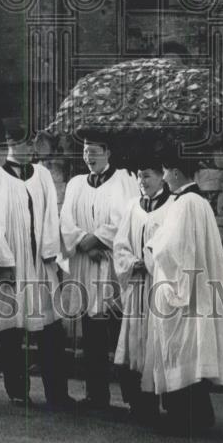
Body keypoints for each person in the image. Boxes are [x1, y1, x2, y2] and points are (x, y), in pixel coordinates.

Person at [0, 118, 74, 410]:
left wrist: (52, 254)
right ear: (11, 145)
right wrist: (2, 264)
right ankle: (18, 391)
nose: (31, 148)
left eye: (33, 143)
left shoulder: (41, 176)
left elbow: (51, 216)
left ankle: (58, 392)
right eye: (26, 143)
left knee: (51, 330)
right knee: (12, 332)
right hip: (12, 265)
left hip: (41, 264)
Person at [143, 156, 223, 436]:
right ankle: (200, 414)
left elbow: (172, 249)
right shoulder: (201, 203)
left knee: (181, 348)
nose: (165, 177)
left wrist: (151, 247)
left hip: (183, 292)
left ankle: (184, 417)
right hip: (198, 289)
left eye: (166, 171)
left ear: (176, 172)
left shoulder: (184, 204)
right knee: (192, 350)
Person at [59, 131, 139, 409]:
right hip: (86, 265)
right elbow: (66, 220)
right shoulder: (76, 184)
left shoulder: (124, 181)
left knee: (119, 331)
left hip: (111, 265)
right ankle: (97, 395)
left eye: (94, 151)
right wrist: (83, 242)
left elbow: (125, 220)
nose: (88, 156)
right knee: (91, 333)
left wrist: (95, 240)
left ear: (108, 153)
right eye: (85, 151)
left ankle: (133, 396)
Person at [113, 163, 173, 423]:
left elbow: (172, 246)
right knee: (134, 343)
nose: (142, 181)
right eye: (138, 176)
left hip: (158, 285)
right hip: (136, 285)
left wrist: (150, 263)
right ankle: (139, 403)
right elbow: (120, 244)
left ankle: (166, 402)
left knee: (158, 341)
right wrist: (131, 263)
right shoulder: (132, 207)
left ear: (161, 177)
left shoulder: (172, 206)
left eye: (147, 176)